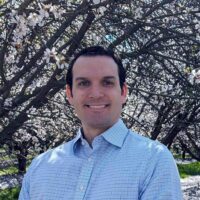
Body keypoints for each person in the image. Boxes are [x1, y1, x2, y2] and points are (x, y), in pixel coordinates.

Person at [19, 46, 183, 200]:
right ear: (69, 94)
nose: (96, 94)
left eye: (107, 82)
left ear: (123, 92)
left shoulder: (154, 161)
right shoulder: (39, 167)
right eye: (84, 83)